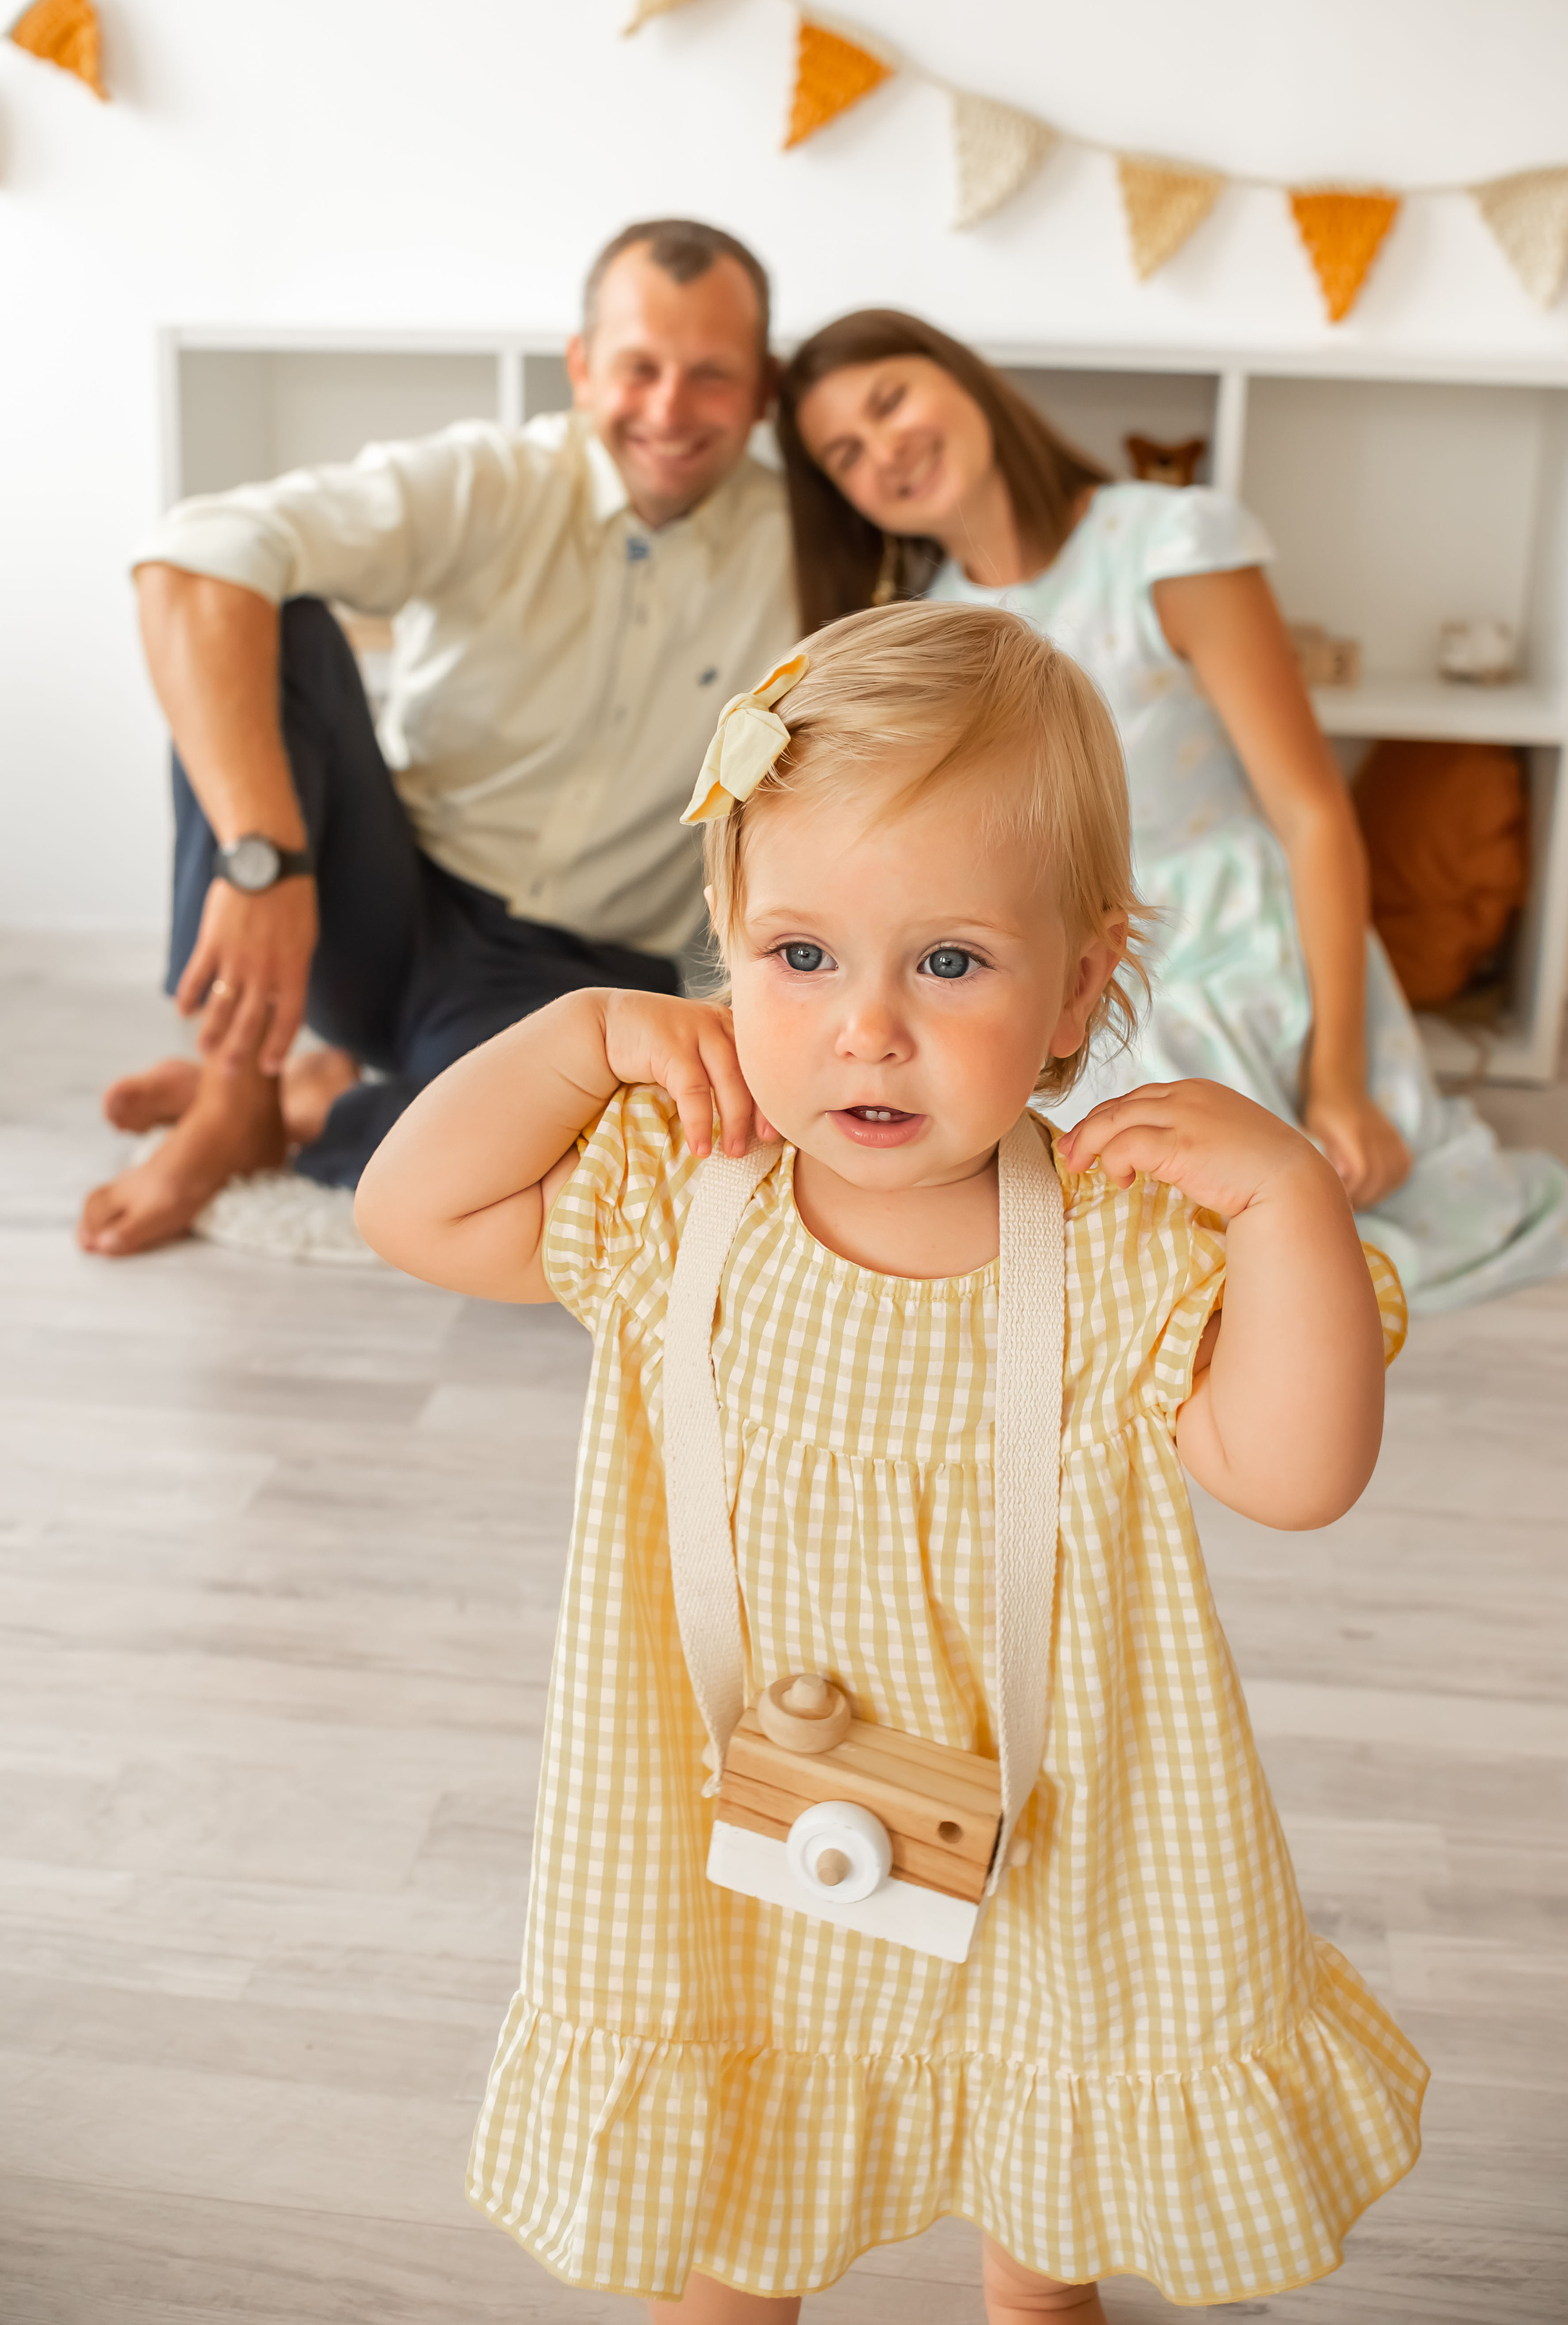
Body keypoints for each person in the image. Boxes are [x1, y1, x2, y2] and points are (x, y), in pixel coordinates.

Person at [353, 604, 1426, 2320]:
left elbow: (1299, 1473)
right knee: (733, 2230)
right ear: (719, 945)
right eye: (799, 955)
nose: (866, 1027)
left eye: (949, 962)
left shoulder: (1125, 1243)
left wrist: (1289, 1194)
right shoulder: (670, 1200)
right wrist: (586, 1036)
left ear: (1084, 980)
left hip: (1055, 1834)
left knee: (1046, 2173)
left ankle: (1035, 2287)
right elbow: (411, 1209)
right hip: (736, 1835)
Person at [777, 310, 1568, 1313]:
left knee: (1196, 1180)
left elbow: (1311, 813)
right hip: (1049, 934)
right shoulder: (932, 633)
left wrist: (1338, 1077)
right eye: (847, 453)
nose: (886, 449)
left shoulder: (1165, 542)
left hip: (1228, 928)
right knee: (1016, 1158)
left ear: (962, 380)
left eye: (890, 400)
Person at [79, 219, 798, 1257]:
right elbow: (194, 557)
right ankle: (234, 1095)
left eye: (712, 376)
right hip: (376, 910)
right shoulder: (490, 480)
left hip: (572, 979)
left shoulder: (810, 553)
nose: (668, 409)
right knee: (268, 620)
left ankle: (313, 1106)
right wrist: (264, 857)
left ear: (765, 389)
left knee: (619, 1176)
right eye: (639, 367)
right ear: (583, 367)